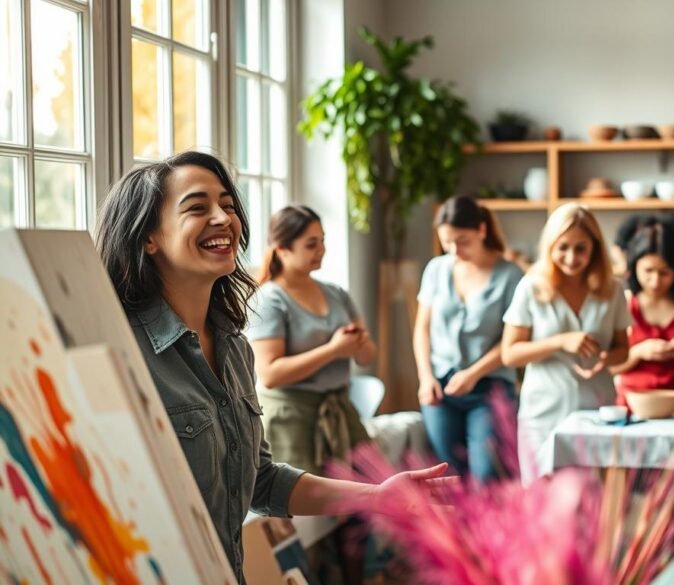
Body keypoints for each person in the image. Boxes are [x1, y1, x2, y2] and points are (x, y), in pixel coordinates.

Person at [95, 151, 446, 583]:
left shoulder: (235, 348)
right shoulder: (118, 349)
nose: (223, 218)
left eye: (228, 205)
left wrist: (376, 496)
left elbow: (261, 483)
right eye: (197, 208)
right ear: (149, 237)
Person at [501, 203, 630, 482]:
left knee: (593, 497)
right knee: (541, 496)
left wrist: (607, 358)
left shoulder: (613, 290)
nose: (571, 258)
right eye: (563, 247)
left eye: (581, 248)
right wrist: (560, 341)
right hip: (543, 412)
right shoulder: (531, 287)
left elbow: (623, 351)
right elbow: (509, 354)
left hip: (597, 411)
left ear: (595, 248)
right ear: (550, 246)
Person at [248, 204, 375, 473]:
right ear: (282, 249)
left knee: (372, 489)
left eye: (322, 241)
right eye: (311, 244)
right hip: (291, 421)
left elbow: (367, 357)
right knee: (305, 497)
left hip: (340, 410)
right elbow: (269, 374)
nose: (321, 249)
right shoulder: (269, 300)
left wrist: (358, 344)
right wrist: (334, 350)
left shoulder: (336, 293)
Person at [414, 196, 524, 482]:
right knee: (446, 476)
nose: (454, 250)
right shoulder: (436, 269)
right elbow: (422, 328)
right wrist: (426, 378)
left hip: (490, 387)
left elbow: (511, 340)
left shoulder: (510, 276)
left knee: (485, 476)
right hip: (441, 389)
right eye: (447, 243)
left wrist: (473, 374)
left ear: (482, 230)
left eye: (462, 241)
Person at [610, 217, 674, 401]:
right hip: (634, 402)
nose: (655, 281)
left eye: (665, 272)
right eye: (648, 271)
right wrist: (638, 352)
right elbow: (611, 367)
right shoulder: (625, 300)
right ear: (634, 268)